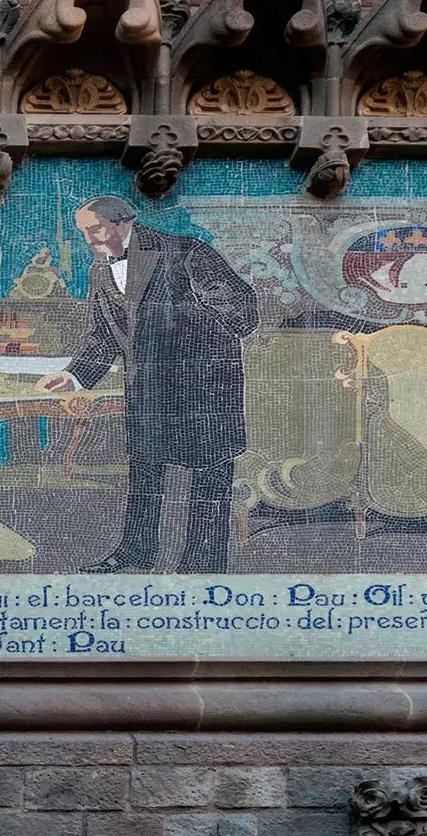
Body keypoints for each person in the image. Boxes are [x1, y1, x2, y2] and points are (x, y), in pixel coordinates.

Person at [39, 197, 259, 573]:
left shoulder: (186, 252)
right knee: (144, 476)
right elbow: (103, 337)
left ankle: (203, 569)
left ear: (123, 223)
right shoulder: (100, 272)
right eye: (85, 233)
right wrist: (74, 375)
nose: (91, 240)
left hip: (204, 389)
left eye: (96, 230)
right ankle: (134, 555)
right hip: (149, 390)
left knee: (209, 479)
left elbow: (243, 310)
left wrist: (195, 334)